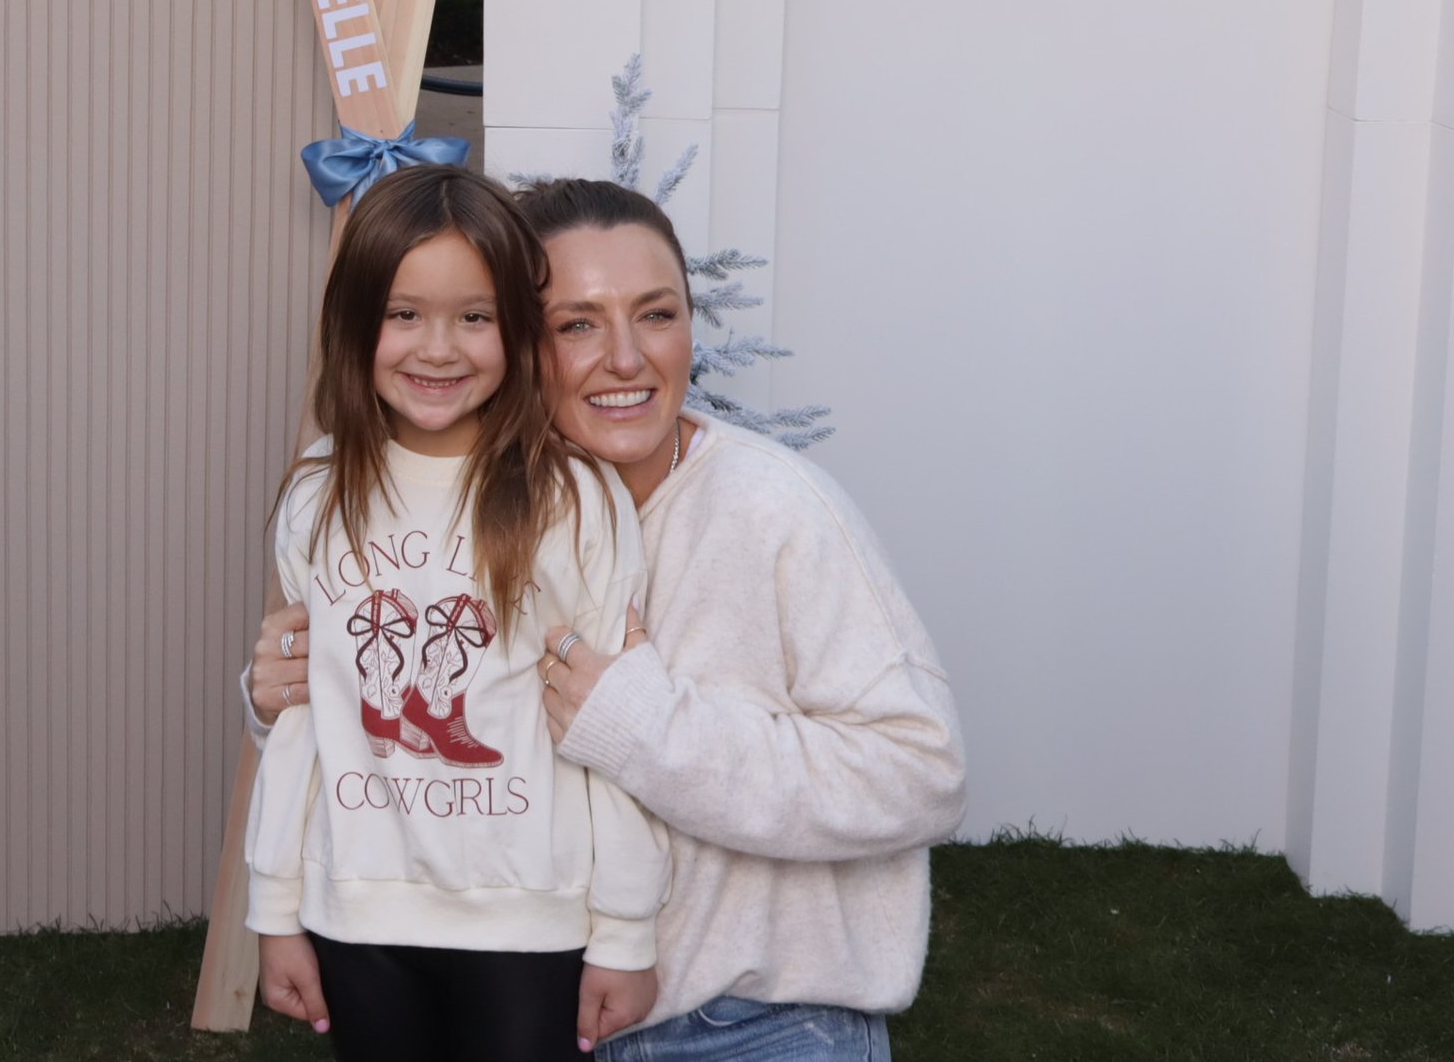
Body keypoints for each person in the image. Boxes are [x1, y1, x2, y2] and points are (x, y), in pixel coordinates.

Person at [251, 176, 965, 1062]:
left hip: (741, 1026)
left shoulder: (775, 509)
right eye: (576, 323)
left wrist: (639, 725)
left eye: (656, 314)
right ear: (519, 338)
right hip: (532, 999)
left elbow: (922, 770)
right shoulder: (434, 502)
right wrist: (286, 688)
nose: (626, 357)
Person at [247, 165, 672, 1062]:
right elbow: (299, 724)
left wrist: (627, 931)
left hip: (530, 924)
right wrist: (274, 908)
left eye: (474, 317)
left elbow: (611, 733)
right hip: (358, 910)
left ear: (517, 330)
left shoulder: (575, 499)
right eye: (404, 313)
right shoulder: (318, 497)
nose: (438, 347)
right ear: (353, 323)